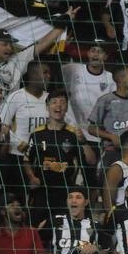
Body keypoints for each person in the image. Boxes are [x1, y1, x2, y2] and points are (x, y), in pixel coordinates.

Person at [24, 89, 96, 224]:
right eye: (54, 102)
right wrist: (32, 177)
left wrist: (83, 142)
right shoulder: (37, 134)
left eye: (62, 102)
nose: (58, 106)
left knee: (64, 228)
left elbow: (92, 160)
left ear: (67, 107)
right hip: (42, 191)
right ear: (47, 107)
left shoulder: (73, 133)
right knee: (36, 229)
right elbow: (26, 160)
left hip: (66, 192)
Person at [0, 19, 78, 102]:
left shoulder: (18, 60)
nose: (9, 48)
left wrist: (65, 19)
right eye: (5, 44)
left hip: (7, 115)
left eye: (11, 44)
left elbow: (43, 44)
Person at [0, 60, 50, 189]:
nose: (49, 76)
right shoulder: (16, 97)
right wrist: (19, 143)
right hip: (17, 155)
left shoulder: (50, 99)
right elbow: (3, 125)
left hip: (42, 156)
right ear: (33, 75)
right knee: (17, 196)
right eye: (45, 72)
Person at [88, 66, 128, 169]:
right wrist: (111, 136)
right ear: (120, 79)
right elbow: (91, 129)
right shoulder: (106, 100)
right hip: (111, 152)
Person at [62, 40, 114, 147]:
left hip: (95, 137)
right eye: (93, 51)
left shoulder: (110, 79)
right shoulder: (72, 69)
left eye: (99, 52)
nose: (95, 54)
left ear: (105, 56)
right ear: (88, 53)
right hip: (71, 132)